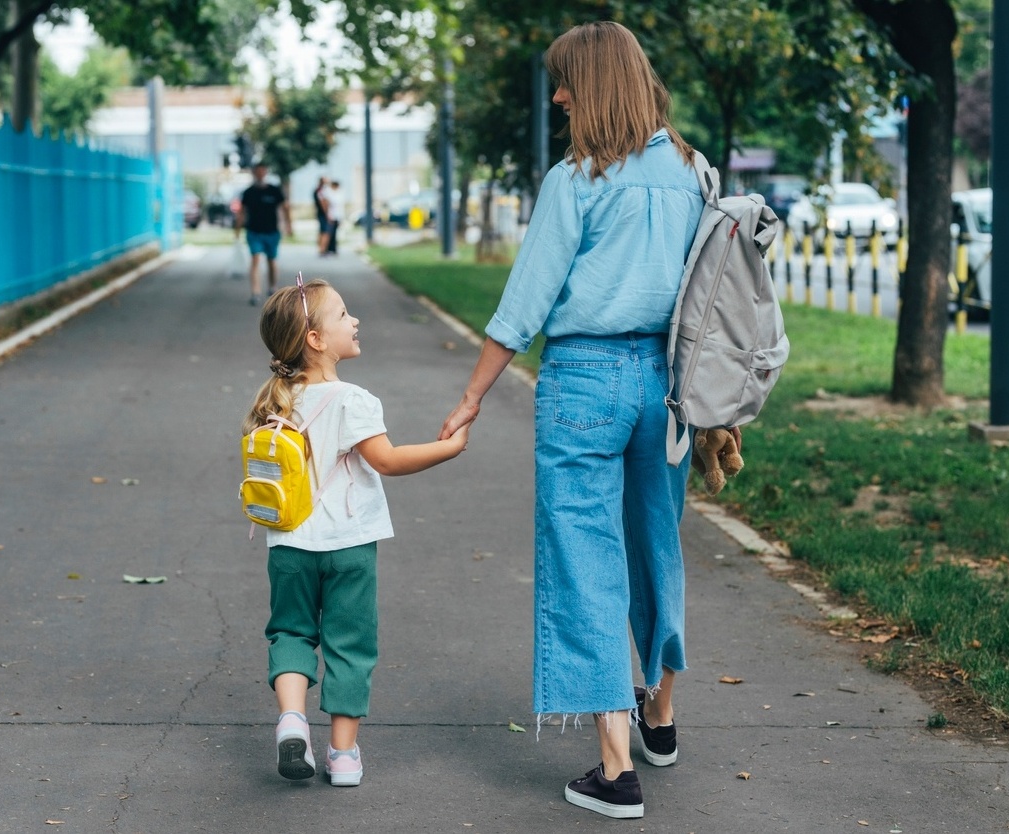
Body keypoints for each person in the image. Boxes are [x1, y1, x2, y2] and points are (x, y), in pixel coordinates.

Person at [439, 21, 738, 820]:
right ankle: (661, 716)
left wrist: (471, 396)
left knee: (584, 559)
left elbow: (524, 303)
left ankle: (614, 771)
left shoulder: (577, 178)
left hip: (581, 382)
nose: (560, 94)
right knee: (656, 542)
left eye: (566, 81)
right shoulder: (691, 171)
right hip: (665, 386)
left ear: (595, 84)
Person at [243, 275, 470, 784]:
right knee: (351, 643)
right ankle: (343, 756)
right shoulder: (353, 399)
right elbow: (386, 461)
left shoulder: (274, 402)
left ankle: (292, 719)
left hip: (289, 546)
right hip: (349, 547)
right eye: (344, 314)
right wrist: (448, 449)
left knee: (291, 631)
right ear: (316, 340)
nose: (356, 320)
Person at [236, 161, 292, 305]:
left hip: (271, 232)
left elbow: (285, 207)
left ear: (266, 172)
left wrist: (288, 224)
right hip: (254, 232)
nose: (260, 173)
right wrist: (237, 229)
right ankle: (255, 292)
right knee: (255, 259)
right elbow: (241, 212)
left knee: (271, 260)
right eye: (257, 171)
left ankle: (273, 287)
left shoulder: (274, 190)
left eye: (263, 170)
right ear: (254, 173)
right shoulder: (248, 193)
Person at [314, 176, 333, 256]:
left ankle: (321, 249)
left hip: (321, 213)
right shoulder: (321, 191)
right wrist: (327, 214)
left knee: (322, 231)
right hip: (323, 214)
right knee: (325, 232)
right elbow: (323, 203)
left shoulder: (317, 190)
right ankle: (322, 249)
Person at [326, 180, 343, 255]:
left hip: (337, 216)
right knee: (330, 233)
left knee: (334, 233)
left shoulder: (338, 194)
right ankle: (329, 248)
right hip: (331, 216)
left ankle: (333, 249)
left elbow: (340, 207)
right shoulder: (329, 194)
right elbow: (329, 206)